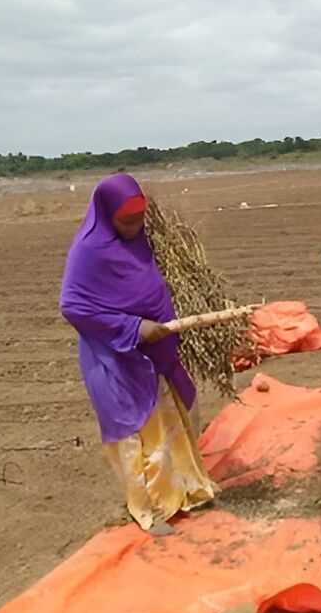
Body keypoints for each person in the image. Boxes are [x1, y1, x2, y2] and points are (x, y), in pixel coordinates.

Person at [60, 174, 217, 536]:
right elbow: (72, 306)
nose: (135, 228)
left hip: (156, 351)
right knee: (137, 434)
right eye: (126, 221)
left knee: (172, 423)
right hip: (117, 358)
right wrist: (133, 327)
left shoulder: (142, 240)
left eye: (140, 220)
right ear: (106, 214)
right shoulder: (89, 250)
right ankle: (149, 510)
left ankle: (183, 492)